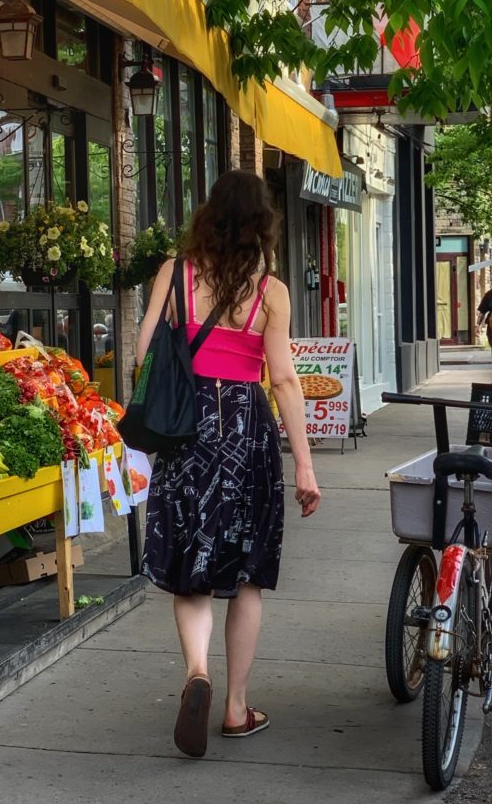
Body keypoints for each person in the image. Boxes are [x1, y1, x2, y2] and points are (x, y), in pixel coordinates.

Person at [135, 170, 320, 759]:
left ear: (208, 217)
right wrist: (306, 467)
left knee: (192, 564)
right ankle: (237, 709)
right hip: (247, 434)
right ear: (263, 224)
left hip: (186, 433)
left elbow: (143, 355)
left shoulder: (174, 275)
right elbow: (285, 382)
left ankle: (196, 673)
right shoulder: (272, 292)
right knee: (244, 575)